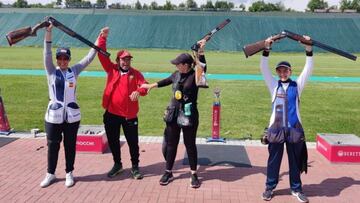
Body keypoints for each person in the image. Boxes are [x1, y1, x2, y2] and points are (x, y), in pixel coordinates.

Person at [140, 39, 208, 188]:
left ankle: (193, 174)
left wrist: (200, 52)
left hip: (189, 115)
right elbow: (166, 81)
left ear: (185, 65)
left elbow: (202, 68)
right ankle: (168, 171)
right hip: (173, 114)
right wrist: (151, 85)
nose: (176, 65)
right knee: (171, 144)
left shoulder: (195, 75)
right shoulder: (176, 74)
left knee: (190, 145)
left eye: (178, 64)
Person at [40, 23, 97, 188]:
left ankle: (69, 173)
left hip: (71, 117)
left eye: (66, 58)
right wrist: (48, 32)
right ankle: (50, 174)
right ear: (57, 59)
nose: (63, 61)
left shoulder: (75, 70)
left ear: (69, 59)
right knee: (52, 145)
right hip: (53, 117)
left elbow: (89, 57)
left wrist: (100, 39)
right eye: (60, 58)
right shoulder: (51, 70)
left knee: (70, 146)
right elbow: (46, 51)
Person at [260, 36, 313, 203]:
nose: (283, 73)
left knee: (295, 162)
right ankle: (269, 187)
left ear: (290, 71)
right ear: (277, 72)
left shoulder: (297, 85)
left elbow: (308, 68)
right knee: (273, 161)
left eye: (286, 70)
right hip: (275, 130)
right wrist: (266, 49)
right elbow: (263, 68)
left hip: (294, 129)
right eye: (280, 70)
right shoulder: (273, 85)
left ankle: (296, 189)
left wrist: (308, 50)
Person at [96, 27, 148, 179]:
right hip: (111, 114)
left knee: (133, 143)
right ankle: (117, 164)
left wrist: (139, 91)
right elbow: (102, 55)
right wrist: (103, 37)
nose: (126, 62)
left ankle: (135, 167)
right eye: (123, 59)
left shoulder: (136, 73)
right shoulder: (111, 70)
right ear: (118, 60)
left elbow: (144, 86)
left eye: (128, 59)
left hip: (130, 116)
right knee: (113, 141)